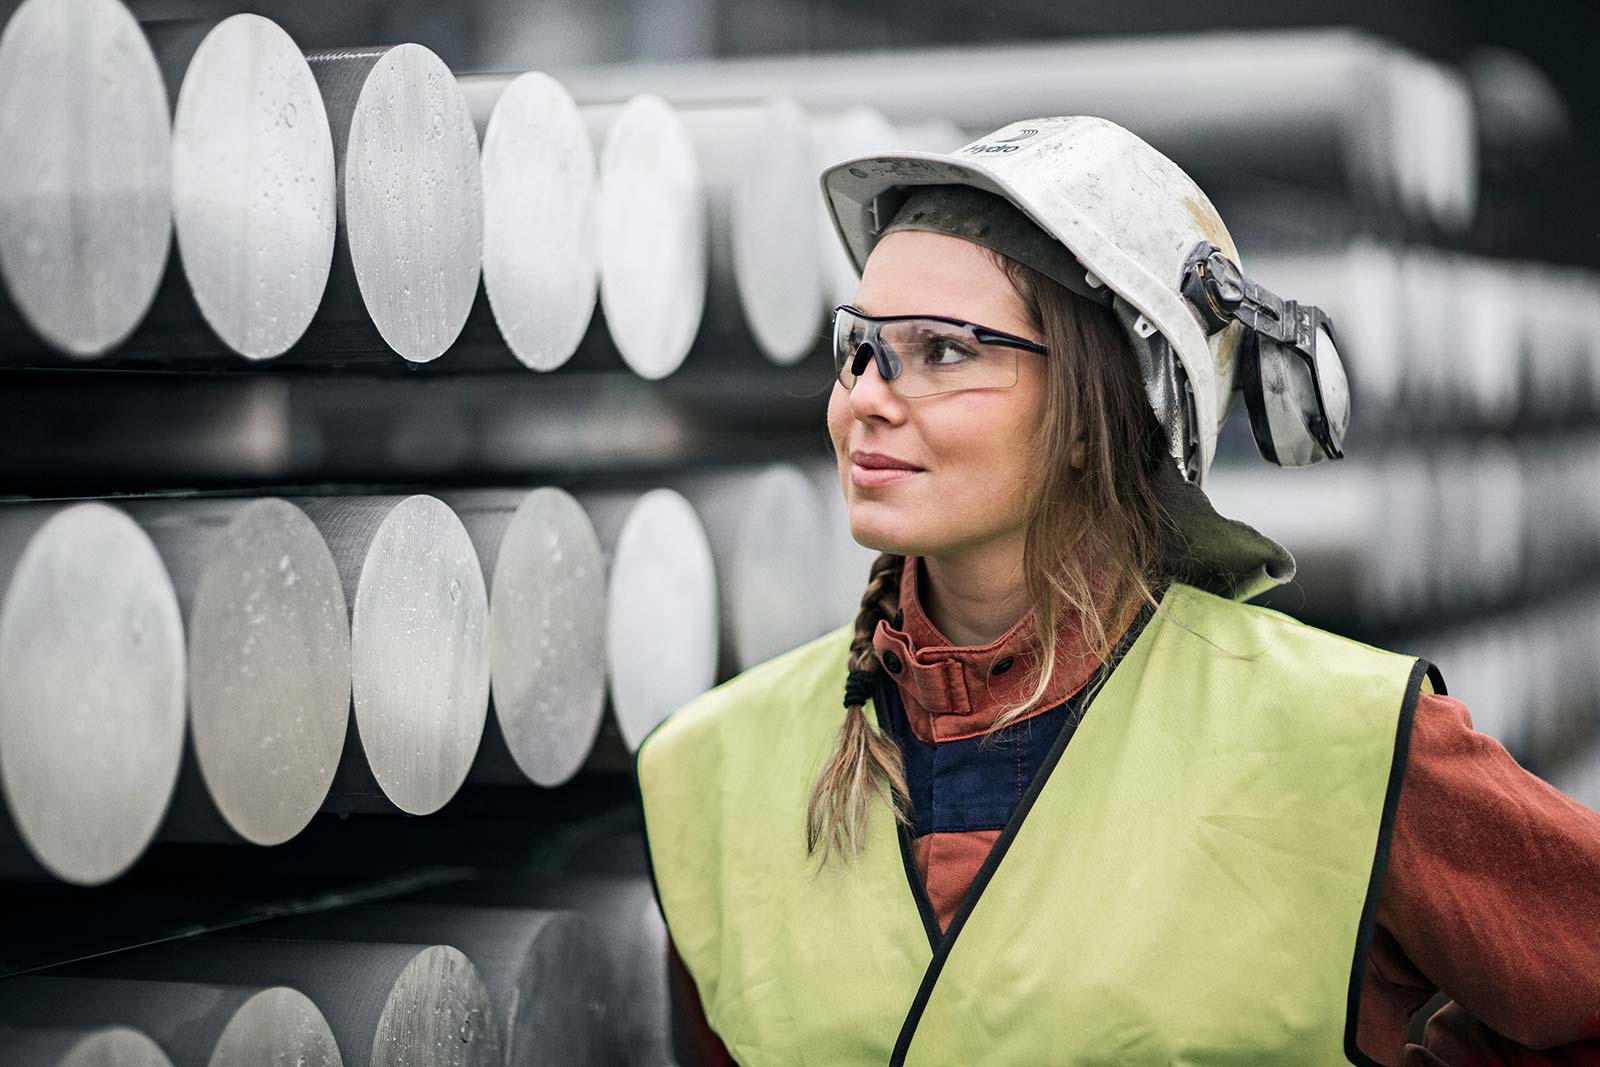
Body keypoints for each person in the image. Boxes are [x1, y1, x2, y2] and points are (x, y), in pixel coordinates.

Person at [633, 116, 1600, 1066]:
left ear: (1101, 412)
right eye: (860, 345)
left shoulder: (1346, 741)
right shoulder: (711, 772)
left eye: (944, 351)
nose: (866, 395)